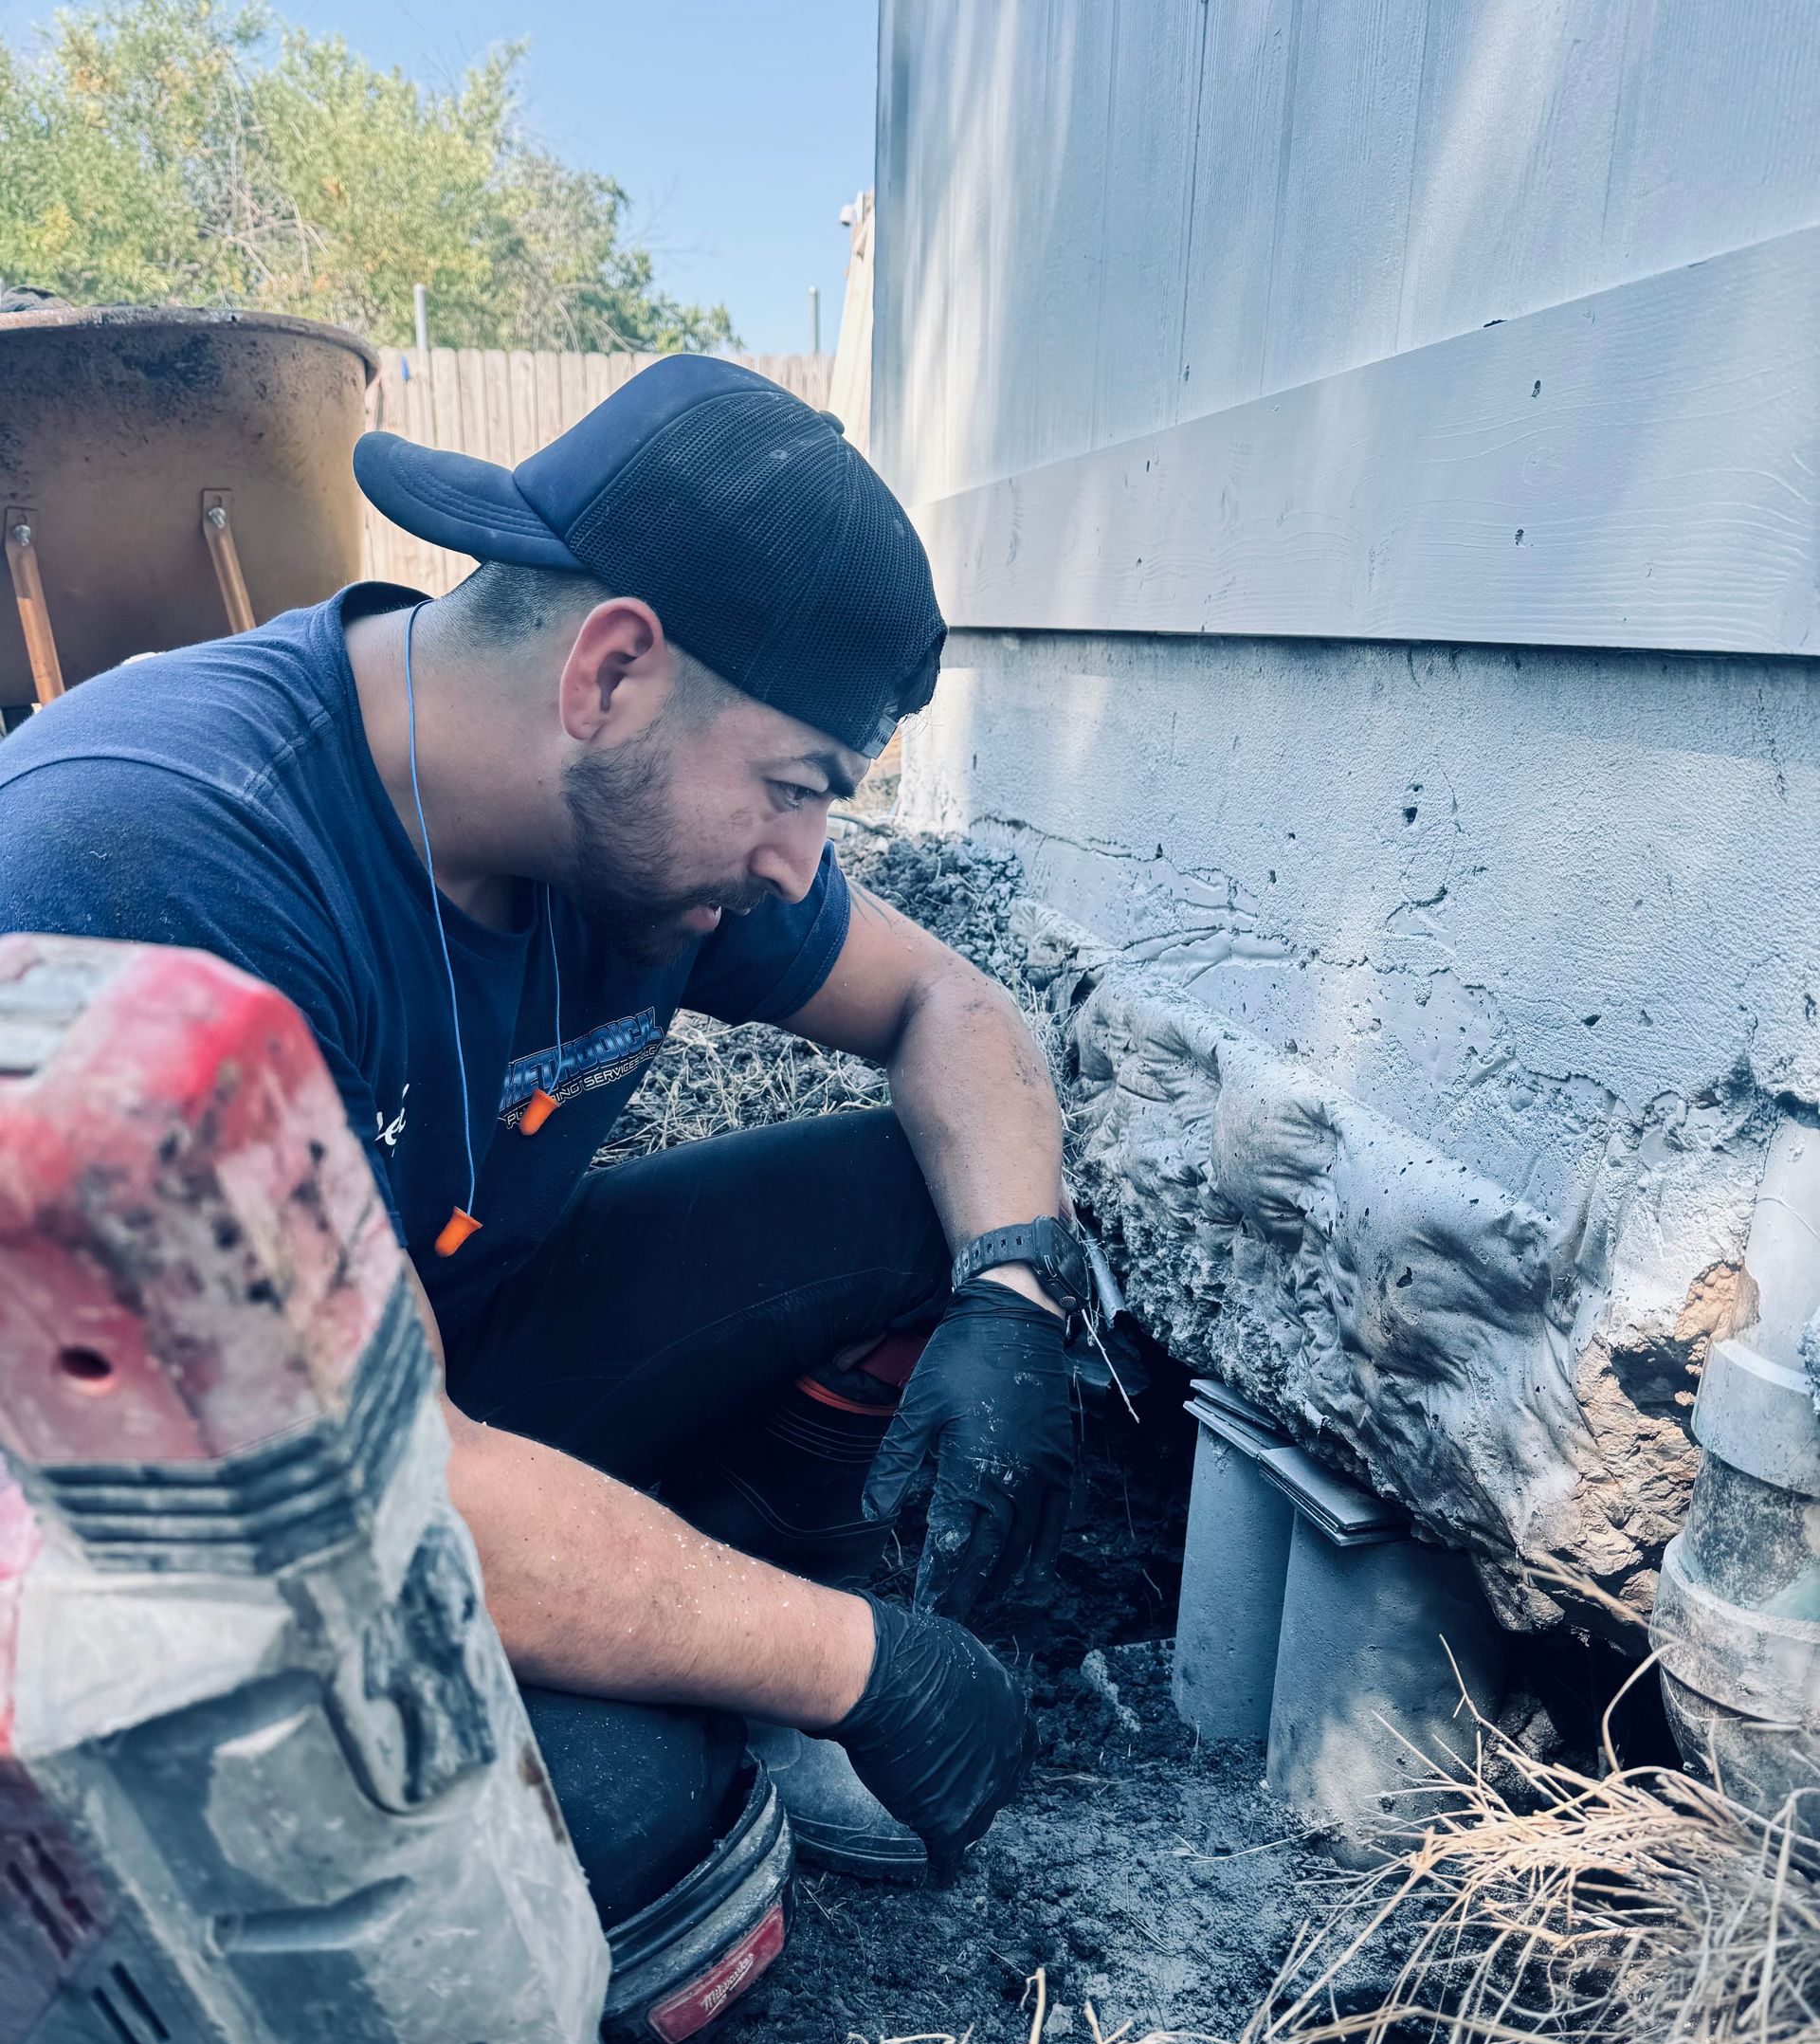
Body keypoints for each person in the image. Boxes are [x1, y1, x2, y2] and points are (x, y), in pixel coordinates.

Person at [0, 356, 1096, 1920]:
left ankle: (701, 1588)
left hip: (431, 1361)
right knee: (639, 1814)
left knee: (927, 1203)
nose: (803, 864)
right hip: (158, 1541)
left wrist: (1011, 1301)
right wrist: (857, 1667)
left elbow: (948, 1009)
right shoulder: (162, 861)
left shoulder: (625, 832)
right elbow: (376, 1487)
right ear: (610, 674)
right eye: (795, 788)